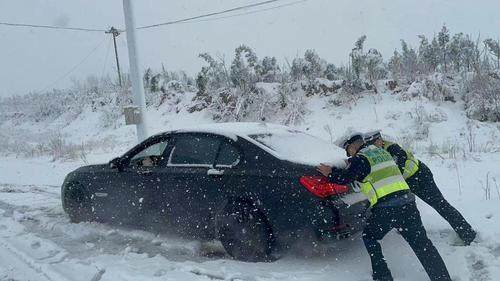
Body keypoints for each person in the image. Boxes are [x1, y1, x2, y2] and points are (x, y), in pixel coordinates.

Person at [317, 133, 452, 281]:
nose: (348, 153)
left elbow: (346, 178)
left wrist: (330, 173)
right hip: (408, 204)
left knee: (370, 236)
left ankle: (383, 276)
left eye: (347, 150)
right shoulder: (381, 152)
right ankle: (442, 278)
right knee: (423, 245)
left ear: (352, 146)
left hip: (386, 208)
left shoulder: (361, 158)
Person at [364, 130, 476, 245]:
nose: (372, 146)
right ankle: (404, 229)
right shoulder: (377, 152)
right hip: (407, 182)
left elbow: (399, 164)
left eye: (374, 142)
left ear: (380, 140)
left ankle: (467, 234)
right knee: (405, 208)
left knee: (440, 204)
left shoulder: (392, 148)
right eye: (369, 144)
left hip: (420, 176)